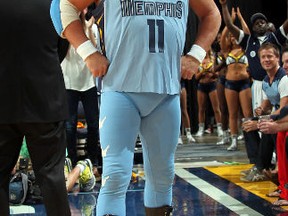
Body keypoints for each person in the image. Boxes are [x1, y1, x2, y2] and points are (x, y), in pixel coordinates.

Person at [50, 0, 221, 215]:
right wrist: (88, 52)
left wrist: (196, 54)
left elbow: (212, 13)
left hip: (166, 92)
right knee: (116, 176)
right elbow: (61, 7)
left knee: (163, 176)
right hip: (120, 90)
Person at [0, 1, 71, 215]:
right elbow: (62, 48)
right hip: (45, 99)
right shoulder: (54, 4)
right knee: (52, 178)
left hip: (3, 100)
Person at [61, 9, 101, 175]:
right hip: (69, 81)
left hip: (88, 82)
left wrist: (88, 29)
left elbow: (95, 50)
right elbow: (65, 50)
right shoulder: (65, 27)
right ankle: (71, 160)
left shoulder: (92, 27)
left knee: (93, 123)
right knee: (69, 125)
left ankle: (92, 159)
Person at [241, 43, 288, 182]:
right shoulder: (266, 80)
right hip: (277, 115)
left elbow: (284, 109)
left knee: (266, 126)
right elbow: (267, 105)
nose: (266, 60)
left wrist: (263, 120)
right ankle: (258, 165)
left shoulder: (284, 79)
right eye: (263, 57)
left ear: (277, 58)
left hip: (282, 117)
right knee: (247, 123)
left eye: (270, 56)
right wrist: (260, 110)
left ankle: (265, 167)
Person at [220, 8, 253, 151]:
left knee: (247, 114)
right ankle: (233, 140)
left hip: (245, 83)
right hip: (230, 84)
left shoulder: (246, 48)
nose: (233, 37)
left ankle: (250, 140)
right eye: (232, 36)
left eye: (236, 36)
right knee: (232, 113)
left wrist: (240, 17)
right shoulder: (227, 51)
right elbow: (223, 36)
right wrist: (231, 21)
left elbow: (247, 33)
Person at [194, 49, 223, 138]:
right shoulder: (198, 60)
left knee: (216, 108)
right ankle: (201, 129)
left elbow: (218, 74)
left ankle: (219, 128)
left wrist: (211, 72)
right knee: (201, 109)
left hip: (212, 85)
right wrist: (203, 72)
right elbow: (196, 77)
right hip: (201, 85)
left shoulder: (213, 59)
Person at [179, 79, 196, 144]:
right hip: (170, 86)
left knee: (184, 110)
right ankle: (178, 135)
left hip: (180, 85)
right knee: (173, 114)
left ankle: (189, 134)